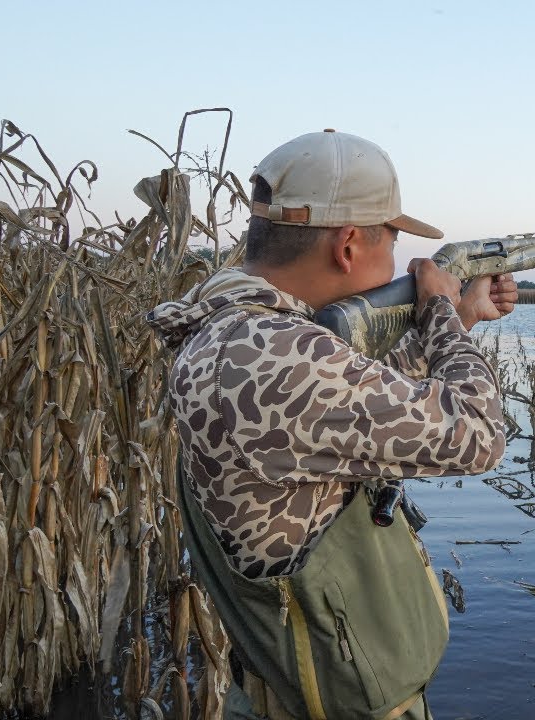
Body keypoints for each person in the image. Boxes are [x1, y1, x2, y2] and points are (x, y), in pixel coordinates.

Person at [148, 129, 514, 719]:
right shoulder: (273, 355)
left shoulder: (237, 334)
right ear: (348, 245)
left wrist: (460, 318)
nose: (400, 264)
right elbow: (479, 432)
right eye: (393, 244)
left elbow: (341, 414)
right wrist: (440, 310)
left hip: (294, 693)